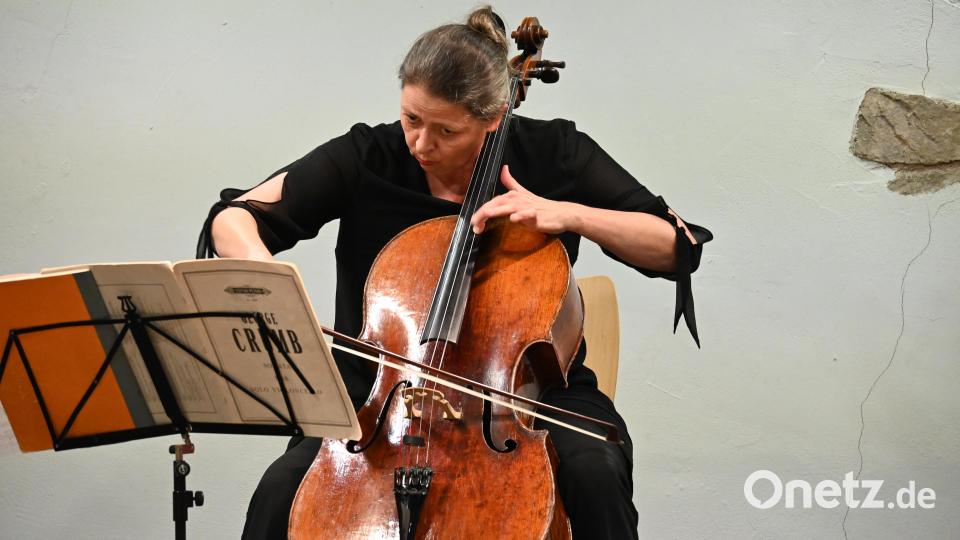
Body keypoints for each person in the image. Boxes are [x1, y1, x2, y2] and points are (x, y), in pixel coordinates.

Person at [197, 6, 712, 539]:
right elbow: (234, 216)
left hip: (526, 394)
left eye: (445, 129)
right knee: (279, 492)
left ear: (493, 117)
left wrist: (569, 214)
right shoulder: (367, 155)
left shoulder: (554, 154)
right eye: (411, 119)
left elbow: (676, 245)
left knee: (595, 470)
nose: (420, 144)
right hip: (375, 395)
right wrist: (268, 276)